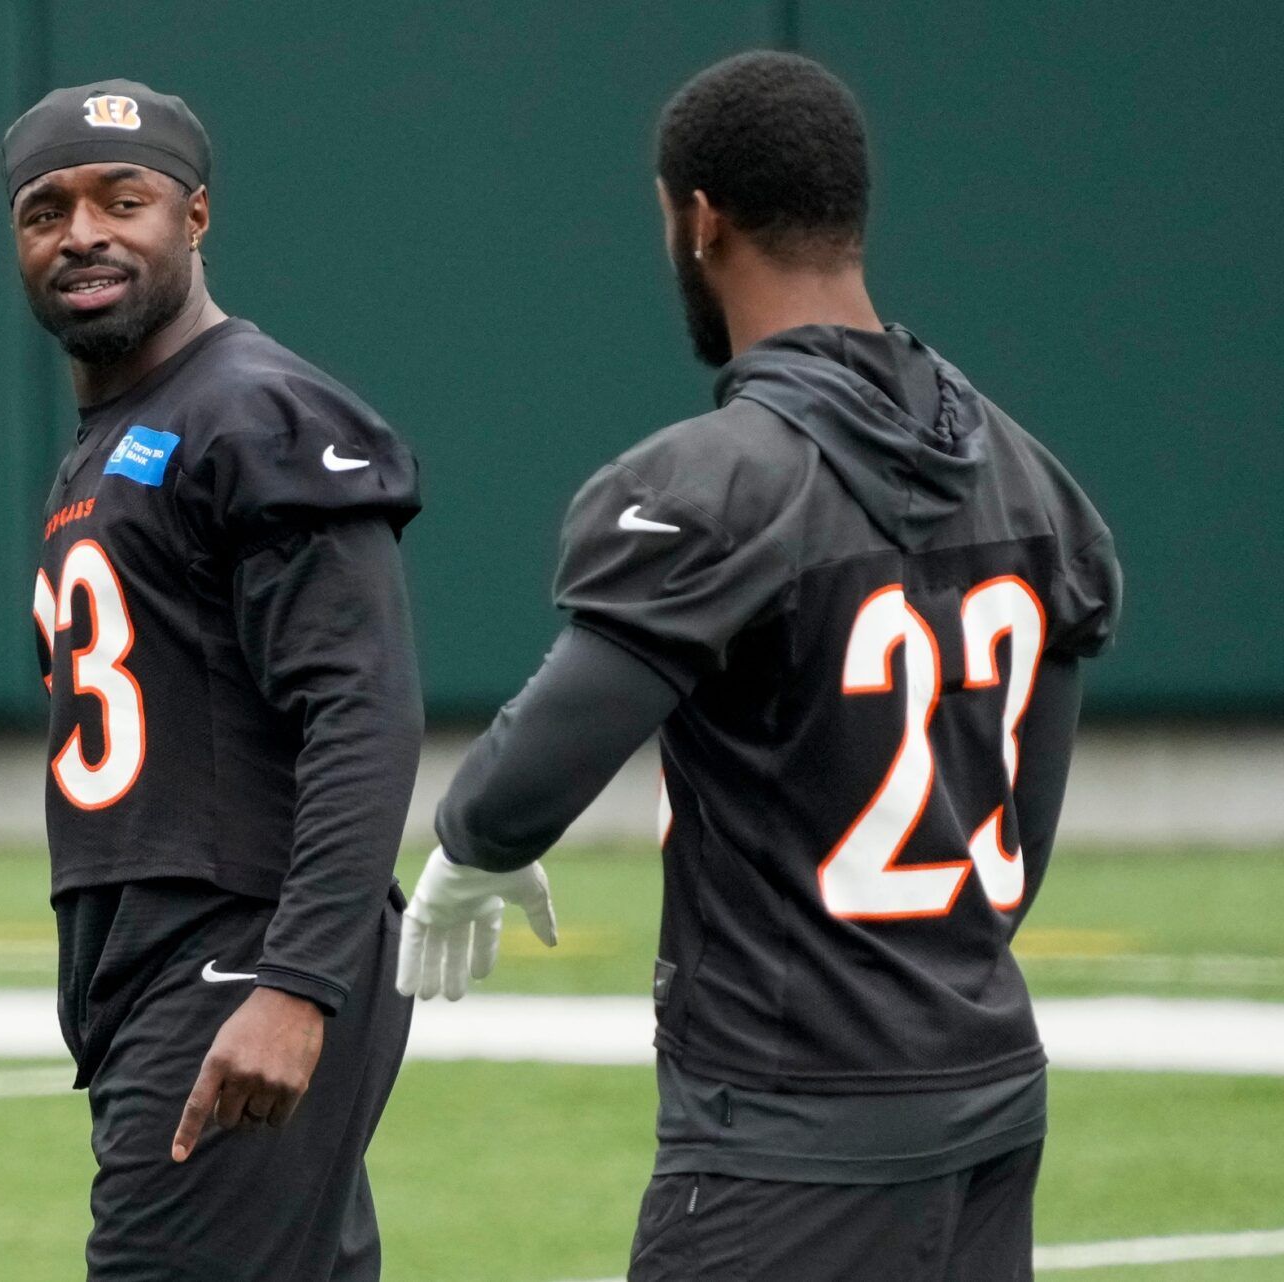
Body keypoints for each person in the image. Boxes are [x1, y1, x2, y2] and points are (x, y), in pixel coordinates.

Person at [396, 51, 1121, 1281]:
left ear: (699, 218)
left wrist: (470, 847)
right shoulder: (1033, 478)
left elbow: (540, 762)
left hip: (790, 1129)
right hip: (989, 1093)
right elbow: (1022, 829)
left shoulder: (722, 480)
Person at [1, 80, 421, 1280]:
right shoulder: (122, 426)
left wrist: (298, 981)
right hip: (156, 961)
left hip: (237, 952)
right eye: (46, 210)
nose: (81, 233)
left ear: (194, 218)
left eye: (121, 200)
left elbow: (360, 706)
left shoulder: (254, 411)